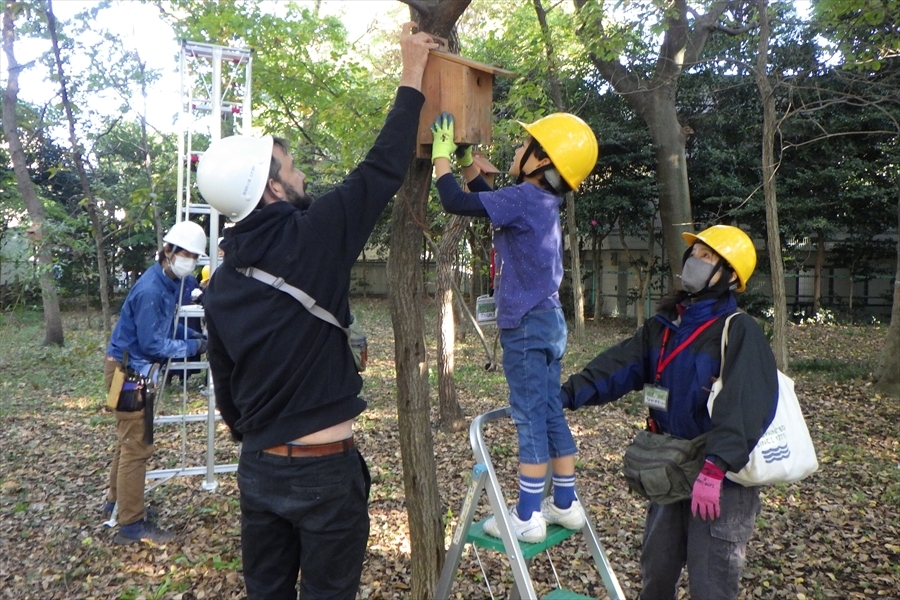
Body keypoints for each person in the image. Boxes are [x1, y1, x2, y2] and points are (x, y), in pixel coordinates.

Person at [198, 23, 437, 600]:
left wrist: (255, 437)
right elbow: (381, 169)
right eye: (290, 164)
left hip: (257, 470)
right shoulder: (314, 237)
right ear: (272, 189)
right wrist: (412, 72)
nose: (301, 171)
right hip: (324, 472)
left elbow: (224, 383)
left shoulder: (222, 283)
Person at [559, 224, 778, 600]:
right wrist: (565, 395)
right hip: (670, 469)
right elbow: (618, 367)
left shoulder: (738, 331)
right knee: (656, 577)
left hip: (718, 482)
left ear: (727, 276)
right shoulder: (665, 327)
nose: (695, 260)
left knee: (711, 586)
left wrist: (716, 467)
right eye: (695, 253)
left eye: (707, 257)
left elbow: (745, 403)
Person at [429, 111, 598, 543]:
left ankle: (526, 515)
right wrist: (468, 164)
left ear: (541, 161)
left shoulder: (524, 197)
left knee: (528, 417)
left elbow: (457, 202)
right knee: (547, 411)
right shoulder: (541, 201)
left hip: (524, 325)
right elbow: (491, 205)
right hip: (550, 321)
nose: (517, 149)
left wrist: (442, 159)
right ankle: (564, 504)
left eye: (526, 146)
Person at [104, 220, 208, 545]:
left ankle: (115, 503)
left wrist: (194, 334)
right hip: (128, 374)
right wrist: (197, 346)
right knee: (137, 446)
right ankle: (131, 525)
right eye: (185, 254)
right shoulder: (151, 290)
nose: (189, 261)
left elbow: (169, 326)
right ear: (167, 251)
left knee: (127, 442)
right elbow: (154, 344)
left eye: (195, 256)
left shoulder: (172, 282)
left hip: (129, 370)